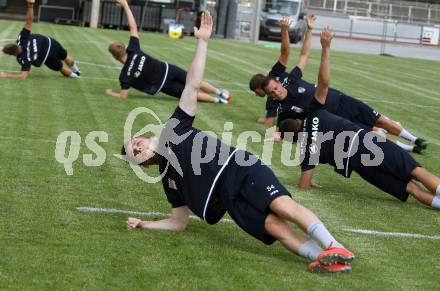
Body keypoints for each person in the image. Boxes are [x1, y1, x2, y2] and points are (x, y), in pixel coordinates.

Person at [121, 12, 355, 274]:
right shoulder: (169, 180)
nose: (137, 149)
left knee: (282, 206)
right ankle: (331, 260)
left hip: (240, 169)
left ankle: (335, 245)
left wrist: (203, 42)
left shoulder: (172, 129)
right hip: (228, 199)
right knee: (273, 227)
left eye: (135, 144)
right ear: (143, 162)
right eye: (135, 155)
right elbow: (178, 222)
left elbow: (192, 85)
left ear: (142, 136)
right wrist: (144, 224)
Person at [280, 26, 440, 210]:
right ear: (298, 121)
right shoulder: (313, 112)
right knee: (417, 172)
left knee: (411, 188)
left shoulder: (306, 150)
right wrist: (325, 48)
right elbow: (324, 83)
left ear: (292, 141)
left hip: (361, 165)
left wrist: (308, 182)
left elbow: (304, 185)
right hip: (367, 142)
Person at [250, 17, 427, 153]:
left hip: (341, 100)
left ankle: (414, 139)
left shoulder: (293, 79)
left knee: (380, 120)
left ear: (279, 83)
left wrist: (310, 30)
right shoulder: (284, 111)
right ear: (269, 95)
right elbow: (283, 130)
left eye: (276, 88)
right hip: (336, 118)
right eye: (272, 93)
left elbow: (304, 55)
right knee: (373, 133)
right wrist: (276, 136)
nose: (276, 92)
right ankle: (411, 149)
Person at [106, 0, 230, 104]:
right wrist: (125, 5)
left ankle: (218, 100)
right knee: (195, 81)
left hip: (164, 85)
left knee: (191, 94)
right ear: (124, 47)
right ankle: (220, 93)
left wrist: (111, 93)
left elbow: (123, 96)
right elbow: (133, 26)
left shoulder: (125, 76)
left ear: (114, 57)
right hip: (168, 69)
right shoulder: (133, 49)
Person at [0, 0, 81, 79]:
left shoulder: (23, 58)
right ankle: (77, 70)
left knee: (61, 68)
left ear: (13, 55)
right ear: (15, 44)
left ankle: (76, 76)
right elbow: (29, 21)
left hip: (47, 57)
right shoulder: (21, 39)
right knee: (65, 56)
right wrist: (30, 5)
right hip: (51, 43)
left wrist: (5, 75)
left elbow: (23, 76)